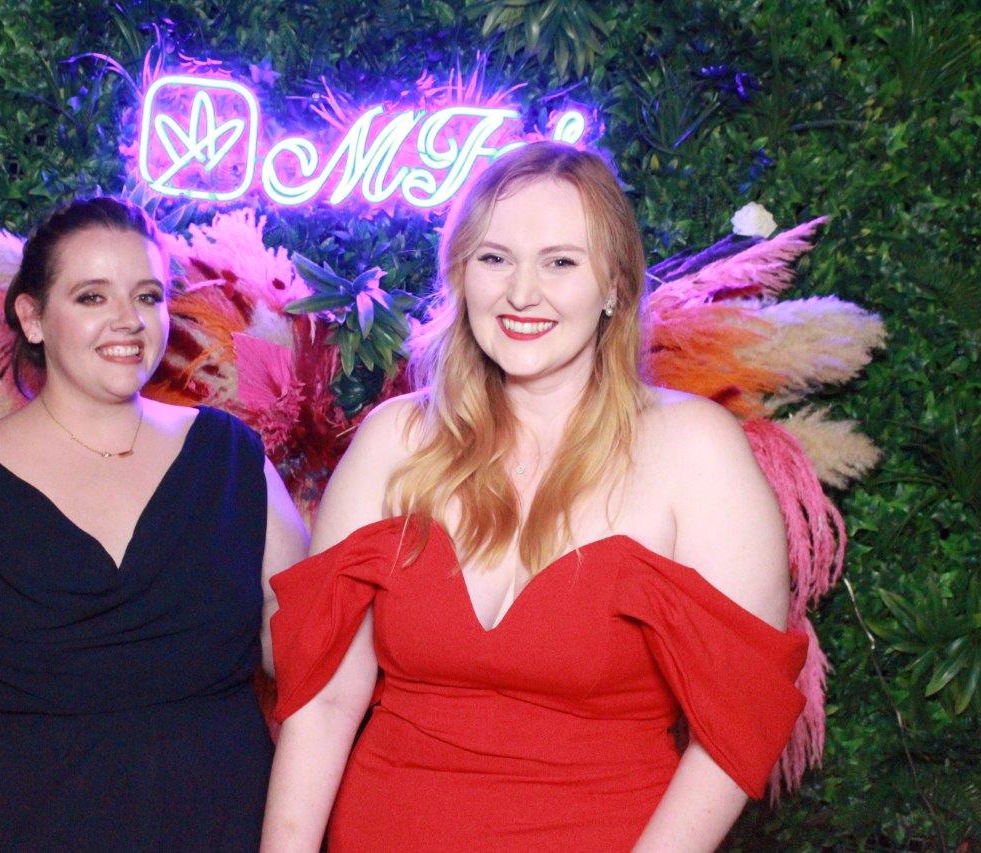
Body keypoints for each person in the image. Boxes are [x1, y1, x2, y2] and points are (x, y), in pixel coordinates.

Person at [261, 143, 807, 851]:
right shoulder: (395, 441)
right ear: (461, 274)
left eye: (561, 262)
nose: (522, 293)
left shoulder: (696, 451)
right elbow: (325, 700)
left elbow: (736, 729)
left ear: (615, 287)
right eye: (495, 258)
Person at [0, 197, 307, 851]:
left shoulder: (233, 461)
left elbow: (311, 662)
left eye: (148, 296)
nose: (128, 320)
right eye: (92, 296)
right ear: (32, 317)